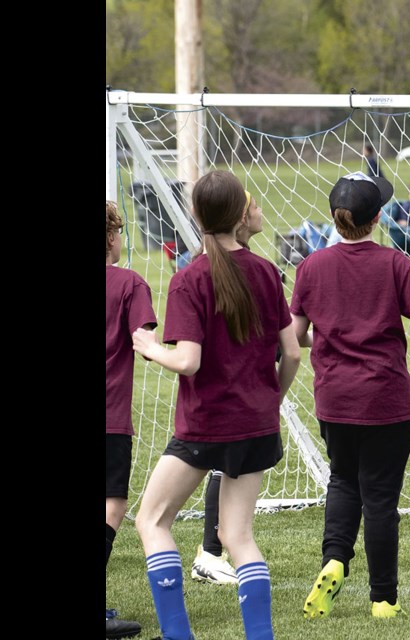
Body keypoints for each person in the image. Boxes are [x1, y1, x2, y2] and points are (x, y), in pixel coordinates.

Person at [292, 172, 410, 619]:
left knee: (343, 480)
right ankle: (383, 599)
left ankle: (334, 558)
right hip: (386, 401)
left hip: (334, 400)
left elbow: (296, 336)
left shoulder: (310, 267)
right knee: (380, 500)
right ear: (377, 220)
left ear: (336, 219)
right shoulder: (393, 263)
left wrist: (335, 334)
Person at [132, 171, 301, 640]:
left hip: (205, 425)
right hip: (256, 425)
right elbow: (291, 354)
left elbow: (187, 361)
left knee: (152, 519)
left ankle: (177, 634)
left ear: (195, 215)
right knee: (238, 537)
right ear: (241, 216)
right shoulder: (267, 271)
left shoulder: (189, 279)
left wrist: (149, 348)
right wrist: (271, 400)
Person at [189, 192, 264, 587]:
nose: (260, 212)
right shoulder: (208, 272)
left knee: (228, 466)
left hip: (243, 390)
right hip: (226, 396)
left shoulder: (255, 268)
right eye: (255, 207)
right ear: (239, 218)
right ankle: (210, 552)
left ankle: (212, 552)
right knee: (224, 465)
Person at [106, 200, 157, 639]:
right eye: (120, 233)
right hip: (108, 417)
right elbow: (144, 342)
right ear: (110, 238)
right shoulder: (129, 283)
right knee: (112, 504)